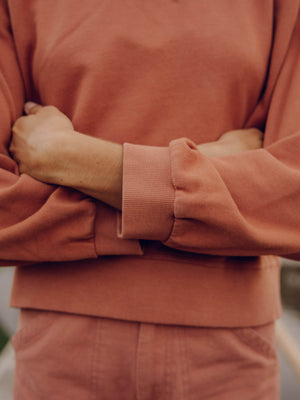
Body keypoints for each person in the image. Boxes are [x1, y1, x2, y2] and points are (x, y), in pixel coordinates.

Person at [1, 0, 300, 399]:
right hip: (61, 349)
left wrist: (78, 161)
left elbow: (292, 204)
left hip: (227, 355)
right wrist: (196, 175)